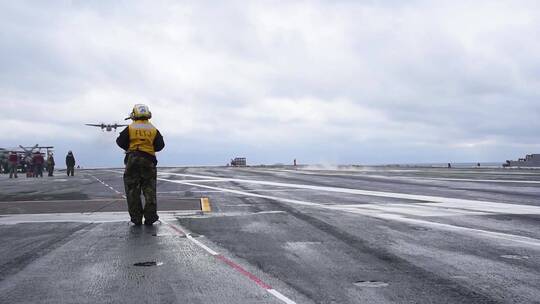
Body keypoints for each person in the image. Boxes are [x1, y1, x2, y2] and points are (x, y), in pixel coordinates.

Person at [116, 104, 165, 226]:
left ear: (134, 114)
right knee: (149, 190)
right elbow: (160, 145)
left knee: (132, 190)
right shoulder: (153, 129)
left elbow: (120, 141)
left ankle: (136, 219)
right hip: (149, 160)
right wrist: (148, 147)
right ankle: (150, 218)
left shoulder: (131, 128)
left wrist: (131, 147)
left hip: (133, 159)